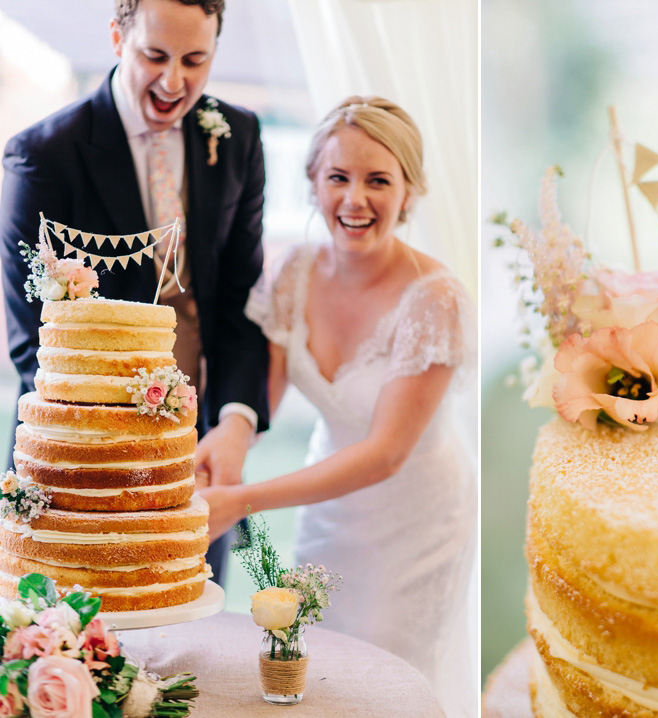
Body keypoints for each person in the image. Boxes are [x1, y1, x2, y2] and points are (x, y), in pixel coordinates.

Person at [200, 96, 477, 718]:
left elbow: (384, 454)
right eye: (338, 178)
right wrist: (222, 451)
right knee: (317, 665)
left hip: (416, 517)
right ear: (314, 185)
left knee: (388, 678)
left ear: (409, 191)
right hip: (329, 510)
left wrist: (242, 501)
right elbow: (261, 400)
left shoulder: (436, 300)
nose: (355, 199)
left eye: (378, 180)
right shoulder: (293, 272)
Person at [0, 0, 269, 585]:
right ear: (118, 40)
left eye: (195, 59)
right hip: (82, 459)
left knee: (183, 613)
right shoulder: (43, 156)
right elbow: (32, 341)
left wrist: (235, 422)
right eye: (156, 56)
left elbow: (242, 302)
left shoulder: (239, 136)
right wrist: (119, 449)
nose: (175, 81)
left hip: (193, 450)